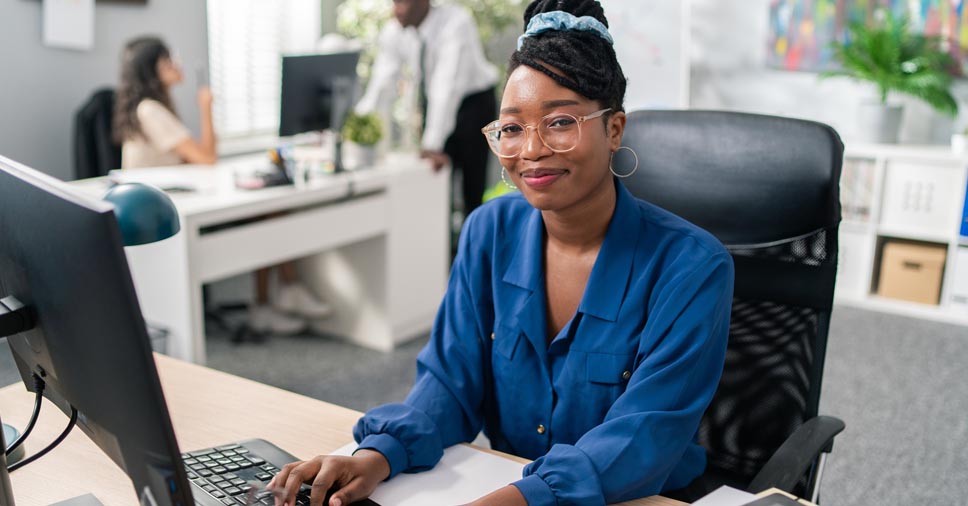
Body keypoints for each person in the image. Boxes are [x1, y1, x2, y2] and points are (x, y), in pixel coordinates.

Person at [269, 0, 734, 504]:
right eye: (511, 127)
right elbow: (450, 382)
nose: (530, 149)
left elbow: (643, 437)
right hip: (504, 484)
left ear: (614, 129)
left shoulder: (692, 266)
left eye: (559, 122)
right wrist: (377, 455)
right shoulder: (488, 231)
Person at [114, 36, 331, 335]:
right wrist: (206, 107)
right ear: (154, 70)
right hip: (160, 212)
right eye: (169, 61)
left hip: (171, 201)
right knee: (267, 214)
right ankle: (279, 295)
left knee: (270, 212)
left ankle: (273, 300)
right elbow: (206, 156)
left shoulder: (153, 108)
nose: (178, 65)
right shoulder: (150, 110)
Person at [355, 0, 499, 220]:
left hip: (473, 105)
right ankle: (444, 247)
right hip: (436, 106)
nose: (396, 10)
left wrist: (432, 144)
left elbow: (447, 85)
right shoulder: (395, 30)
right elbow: (382, 80)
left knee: (471, 188)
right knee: (436, 182)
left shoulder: (456, 22)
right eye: (393, 2)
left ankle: (474, 245)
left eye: (402, 3)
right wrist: (358, 123)